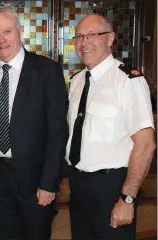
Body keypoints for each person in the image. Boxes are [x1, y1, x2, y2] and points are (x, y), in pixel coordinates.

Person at [0, 6, 67, 240]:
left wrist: (49, 182)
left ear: (19, 31)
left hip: (35, 180)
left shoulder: (47, 70)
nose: (1, 40)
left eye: (7, 31)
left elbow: (57, 132)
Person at [66, 14, 156, 240]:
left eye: (92, 35)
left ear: (110, 39)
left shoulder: (128, 80)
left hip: (112, 187)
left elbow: (145, 146)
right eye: (79, 37)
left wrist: (127, 199)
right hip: (78, 185)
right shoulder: (76, 81)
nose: (84, 42)